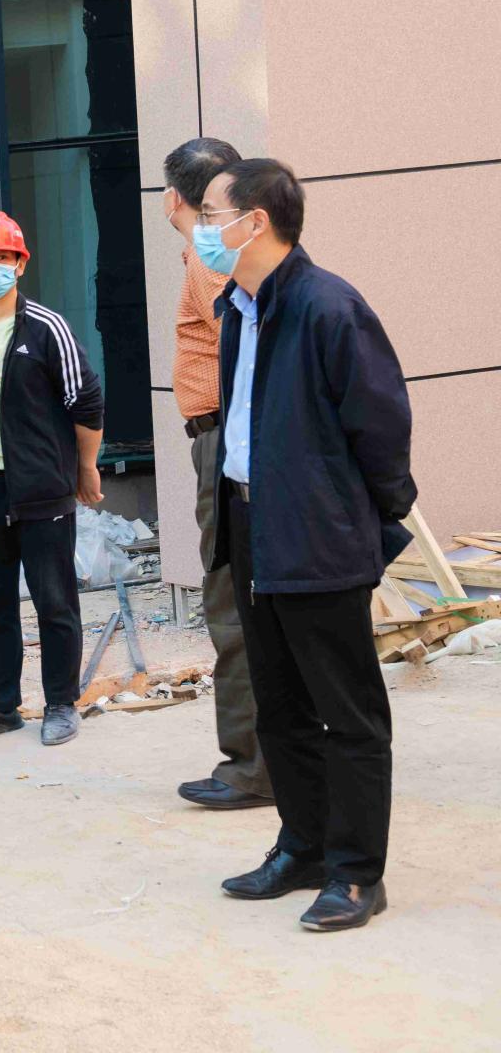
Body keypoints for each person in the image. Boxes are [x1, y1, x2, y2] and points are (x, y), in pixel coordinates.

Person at [202, 160, 413, 933]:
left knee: (347, 713)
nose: (201, 230)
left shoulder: (329, 307)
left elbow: (381, 428)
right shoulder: (239, 309)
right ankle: (304, 847)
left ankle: (356, 874)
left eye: (211, 215)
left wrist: (367, 523)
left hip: (317, 533)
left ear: (254, 221)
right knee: (280, 706)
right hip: (252, 526)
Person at [0, 211, 105, 749]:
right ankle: (1, 707)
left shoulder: (46, 328)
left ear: (20, 264)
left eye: (2, 258)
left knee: (55, 603)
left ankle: (60, 704)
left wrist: (84, 467)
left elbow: (86, 401)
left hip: (41, 489)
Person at [160, 138, 272, 812]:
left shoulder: (214, 263)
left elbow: (237, 339)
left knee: (230, 602)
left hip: (225, 445)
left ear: (175, 198)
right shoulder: (224, 257)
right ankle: (264, 760)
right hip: (227, 441)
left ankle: (251, 767)